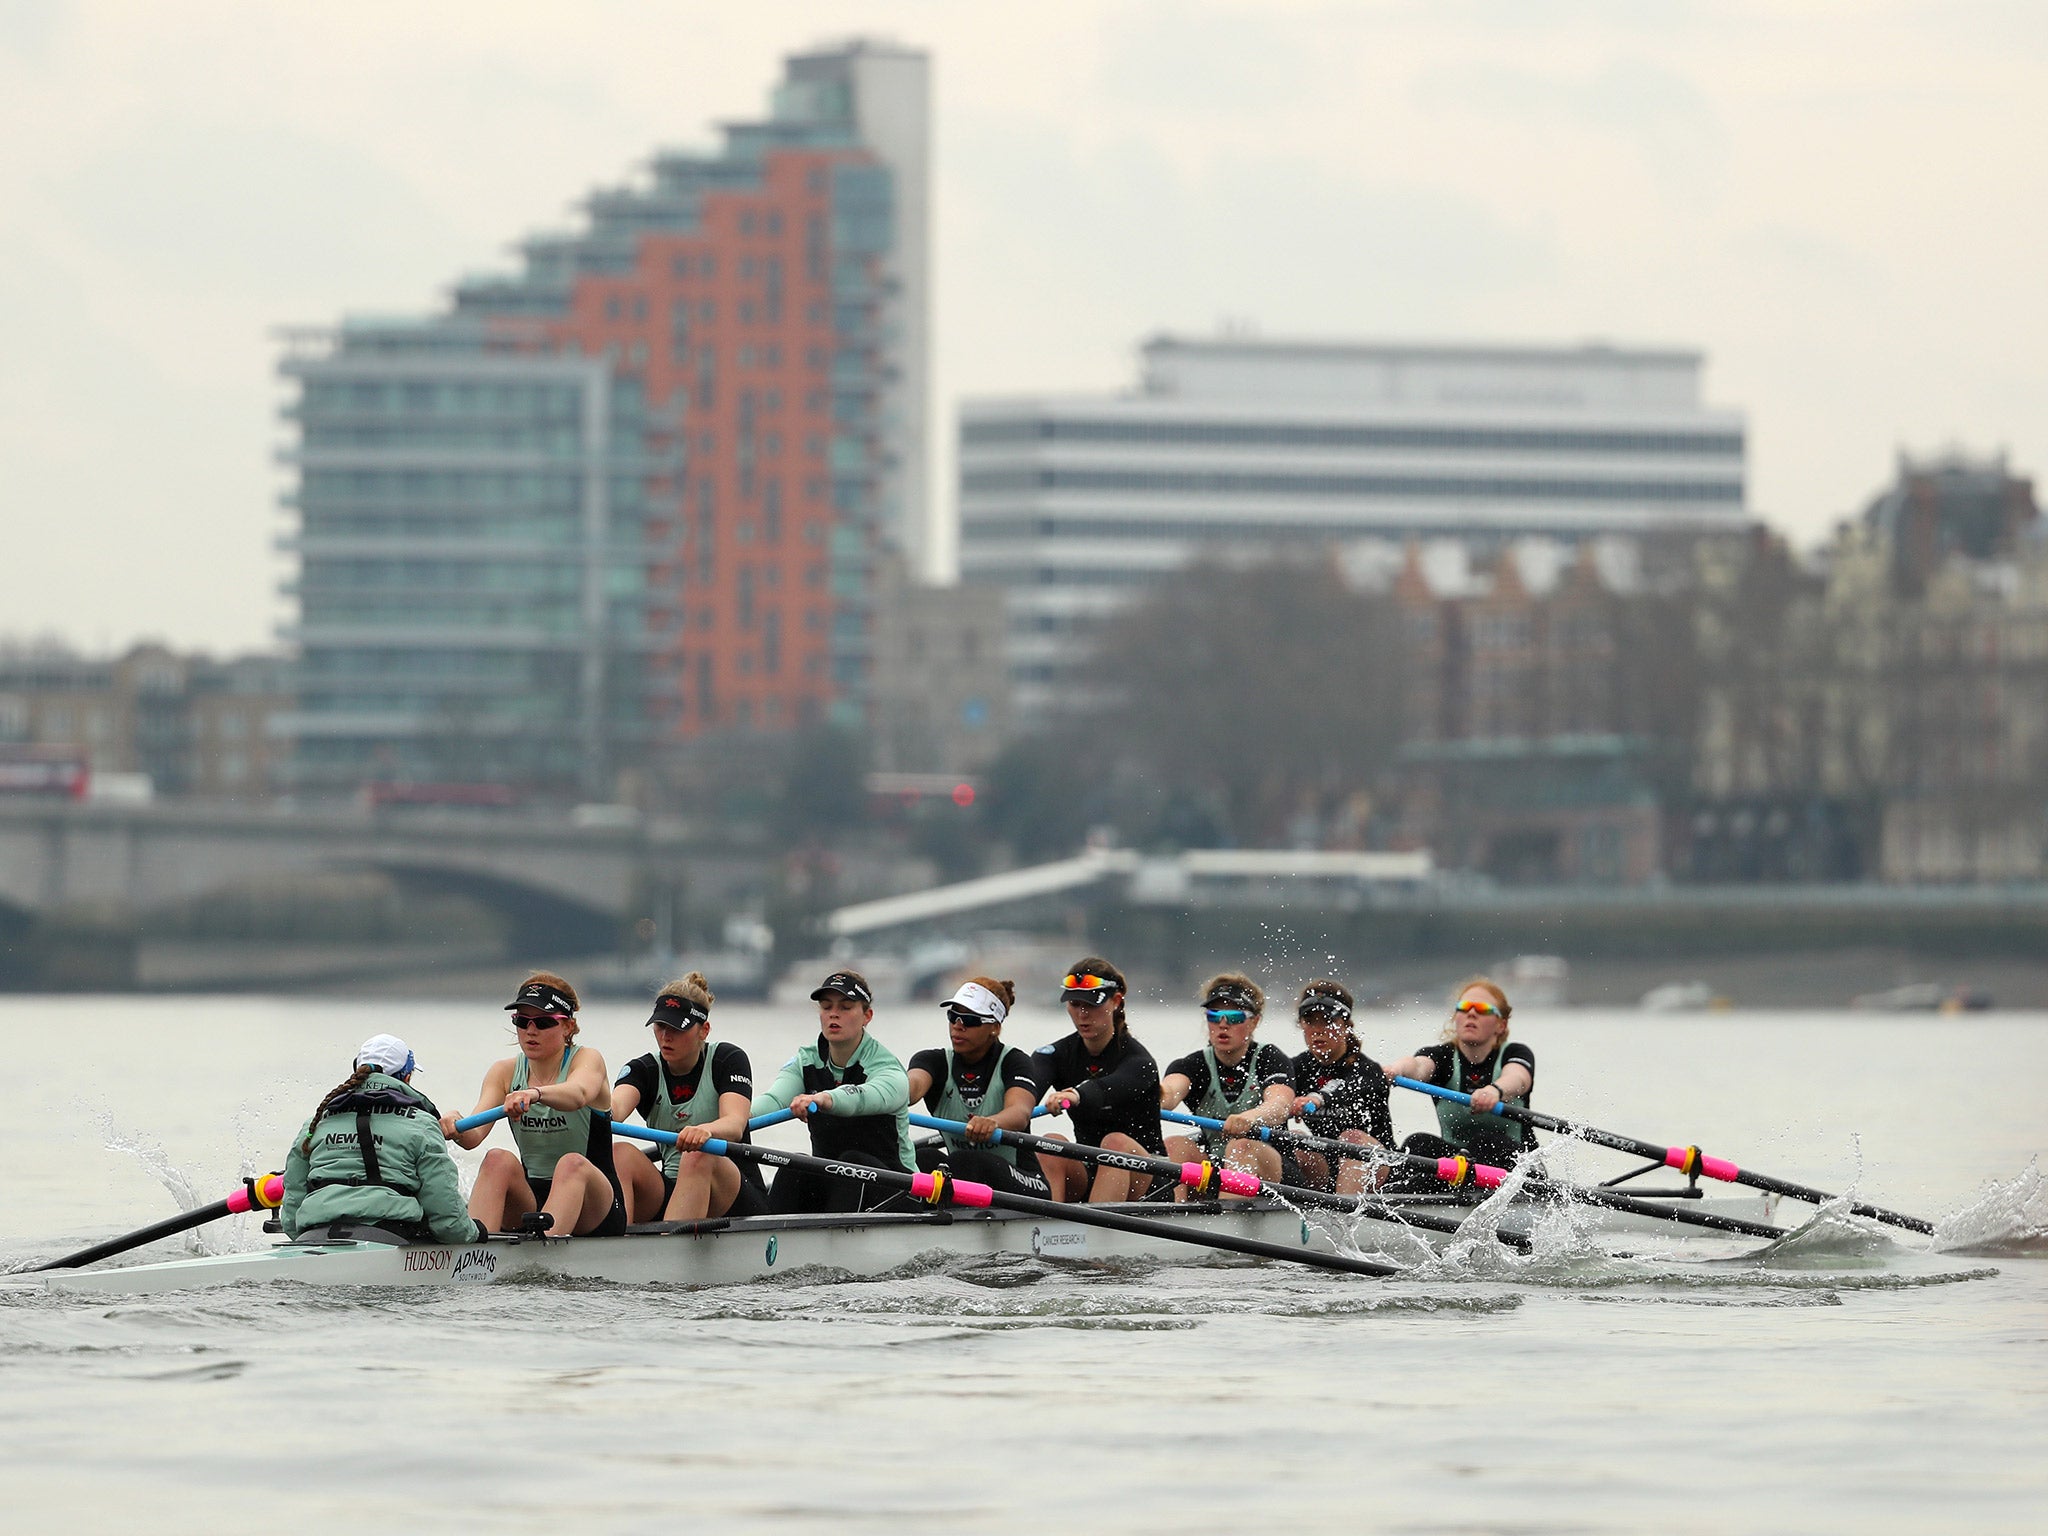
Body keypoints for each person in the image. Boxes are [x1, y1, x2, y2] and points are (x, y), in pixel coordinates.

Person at [440, 972, 627, 1236]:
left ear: (568, 1027)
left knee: (571, 1163)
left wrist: (535, 1094)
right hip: (532, 1200)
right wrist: (455, 1122)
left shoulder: (586, 1060)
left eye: (543, 1022)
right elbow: (473, 1137)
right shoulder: (504, 1072)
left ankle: (541, 1261)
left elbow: (579, 1094)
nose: (530, 1030)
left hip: (596, 1205)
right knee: (497, 1159)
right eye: (522, 1020)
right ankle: (470, 1254)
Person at [281, 1034, 483, 1245]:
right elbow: (445, 1213)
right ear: (406, 1078)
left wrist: (302, 1238)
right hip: (392, 1234)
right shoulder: (423, 1124)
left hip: (314, 1235)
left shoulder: (315, 1123)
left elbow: (292, 1208)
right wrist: (474, 1233)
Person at [750, 970, 915, 1213]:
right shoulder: (806, 1060)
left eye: (846, 1007)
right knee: (794, 1164)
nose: (834, 1014)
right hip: (836, 1185)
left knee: (852, 1162)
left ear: (867, 1016)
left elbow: (861, 1098)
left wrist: (824, 1098)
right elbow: (772, 1101)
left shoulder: (886, 1067)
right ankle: (768, 1241)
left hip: (897, 1189)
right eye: (826, 1007)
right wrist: (723, 1123)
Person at [610, 973, 768, 1223]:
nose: (665, 1036)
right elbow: (613, 1111)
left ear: (703, 1030)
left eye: (676, 1028)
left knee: (697, 1154)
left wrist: (705, 1130)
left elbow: (735, 1124)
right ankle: (617, 1250)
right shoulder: (643, 1070)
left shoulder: (727, 1059)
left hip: (735, 1194)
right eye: (660, 1026)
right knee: (620, 1153)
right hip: (673, 1190)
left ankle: (669, 1250)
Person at [1030, 957, 1164, 1204]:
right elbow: (1024, 1094)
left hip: (1150, 1175)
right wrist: (1003, 1113)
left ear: (1116, 1001)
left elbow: (1108, 1088)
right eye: (1075, 1004)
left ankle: (1094, 1235)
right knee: (1049, 1143)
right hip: (1089, 1168)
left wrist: (1076, 1095)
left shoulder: (1139, 1061)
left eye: (1092, 1004)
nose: (1082, 1014)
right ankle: (1045, 1227)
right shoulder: (1054, 1055)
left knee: (1114, 1142)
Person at [905, 978, 1050, 1198]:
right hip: (965, 1177)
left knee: (964, 1162)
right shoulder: (932, 1061)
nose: (958, 1025)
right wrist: (878, 1093)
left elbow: (1020, 1112)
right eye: (953, 1016)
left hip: (1026, 1181)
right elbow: (910, 1089)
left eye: (971, 1019)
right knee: (922, 1159)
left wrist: (993, 1122)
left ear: (995, 1027)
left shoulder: (1015, 1061)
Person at [1382, 975, 1536, 1175]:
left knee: (1486, 1142)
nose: (1471, 1013)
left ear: (1501, 1025)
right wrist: (1396, 1069)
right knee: (1417, 1144)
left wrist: (1495, 1091)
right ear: (1456, 1017)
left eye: (1482, 1009)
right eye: (1464, 1007)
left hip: (1517, 1167)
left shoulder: (1515, 1053)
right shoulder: (1442, 1056)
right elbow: (1418, 1067)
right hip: (1459, 1167)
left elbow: (1518, 1078)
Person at [1159, 973, 1293, 1200]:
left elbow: (1280, 1105)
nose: (1222, 1024)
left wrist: (1250, 1118)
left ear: (1254, 1021)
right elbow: (1169, 1094)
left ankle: (1226, 1223)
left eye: (1233, 1016)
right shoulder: (1193, 1065)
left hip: (1274, 1171)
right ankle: (1171, 1222)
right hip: (1218, 1169)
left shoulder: (1270, 1059)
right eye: (1214, 1015)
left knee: (1240, 1147)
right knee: (1174, 1145)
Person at [1285, 979, 1394, 1197]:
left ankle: (1344, 1221)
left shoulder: (1368, 1070)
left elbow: (1342, 1087)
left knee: (1352, 1138)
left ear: (1345, 1024)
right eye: (1310, 1021)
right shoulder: (1295, 1068)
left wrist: (1316, 1099)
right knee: (1293, 1139)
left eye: (1327, 1021)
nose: (1318, 1030)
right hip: (1327, 1167)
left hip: (1380, 1167)